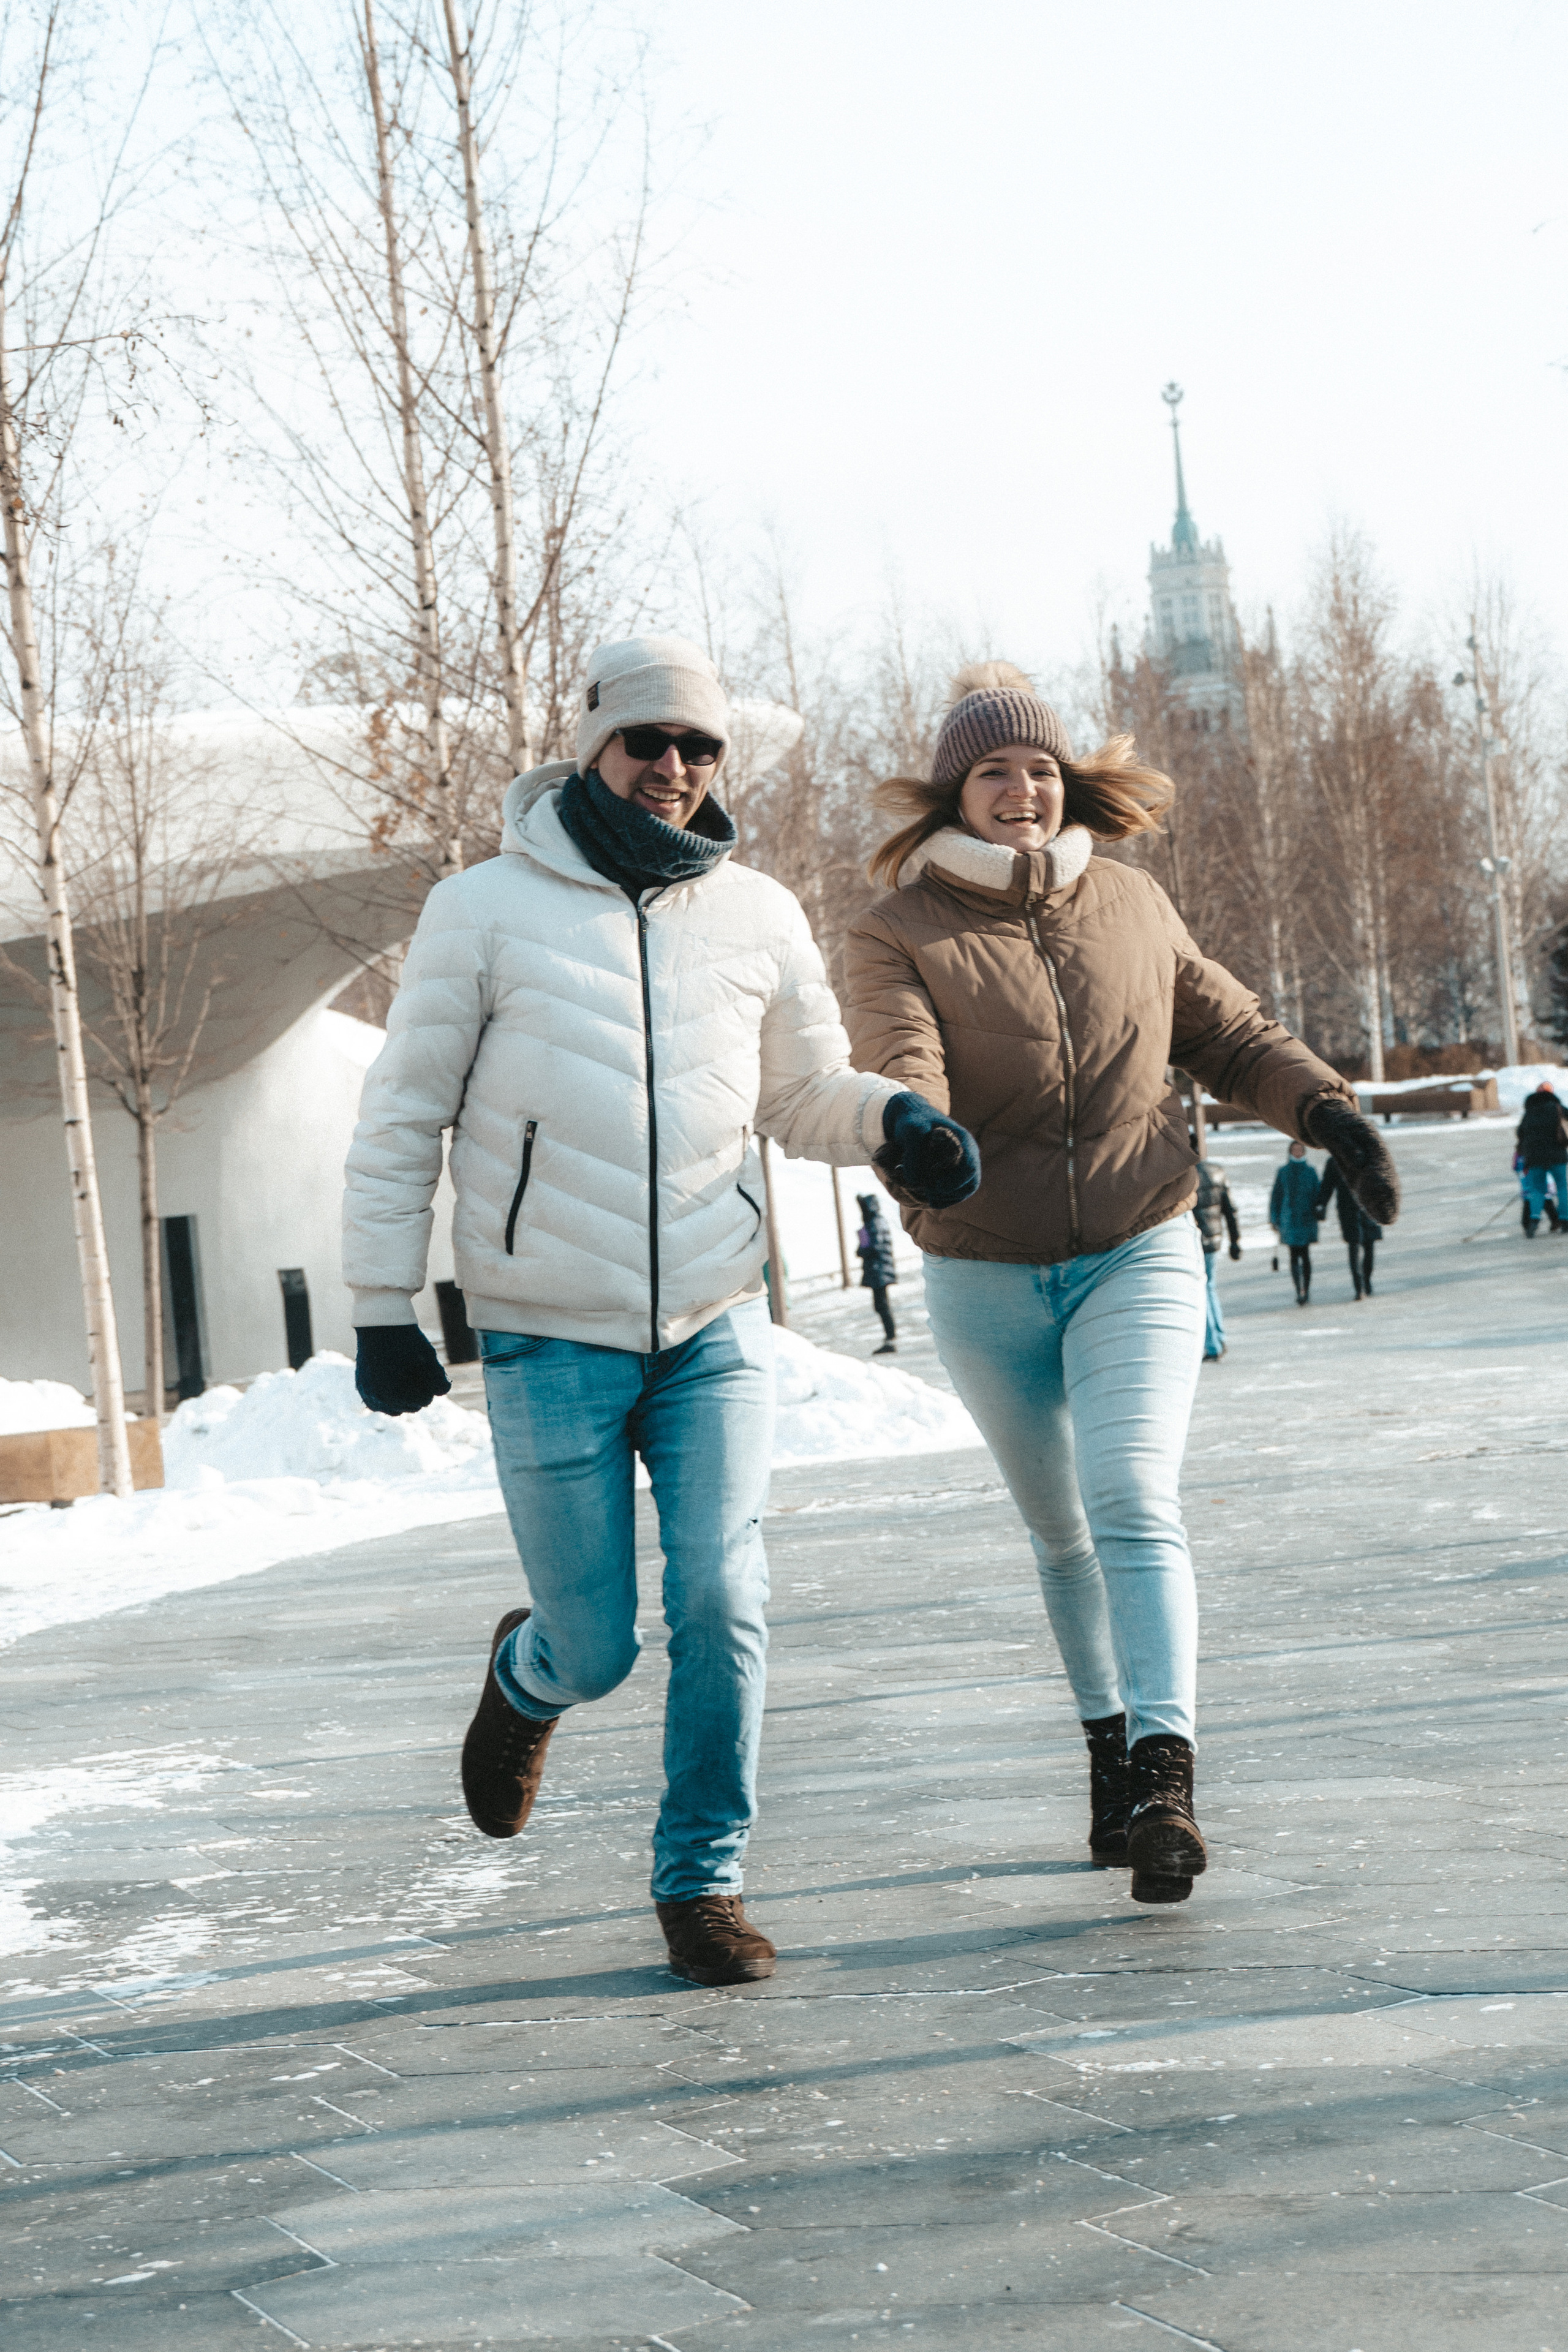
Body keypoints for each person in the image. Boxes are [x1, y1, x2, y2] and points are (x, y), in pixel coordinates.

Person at [342, 635, 980, 1989]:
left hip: (710, 1322)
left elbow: (801, 1092)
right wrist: (380, 1304)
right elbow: (403, 1113)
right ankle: (528, 1678)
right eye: (647, 744)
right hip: (541, 1332)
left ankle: (702, 1880)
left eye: (697, 749)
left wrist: (896, 1120)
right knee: (599, 1644)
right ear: (594, 748)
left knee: (726, 1599)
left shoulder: (755, 914)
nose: (673, 771)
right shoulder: (480, 909)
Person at [842, 662, 1399, 1907]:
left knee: (1132, 1495)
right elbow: (895, 1054)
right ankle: (1103, 1745)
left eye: (1039, 768)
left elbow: (1230, 1032)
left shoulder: (1132, 906)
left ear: (1066, 781)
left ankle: (1162, 1776)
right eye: (992, 771)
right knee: (1058, 1533)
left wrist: (1326, 1113)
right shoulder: (899, 928)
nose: (1020, 789)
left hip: (1139, 1244)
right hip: (981, 1265)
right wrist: (916, 1130)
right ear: (953, 794)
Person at [1192, 1158, 1242, 1359]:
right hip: (1215, 1239)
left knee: (1201, 1290)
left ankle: (1213, 1345)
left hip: (1196, 1241)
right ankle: (1219, 1338)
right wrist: (1235, 1240)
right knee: (1209, 1287)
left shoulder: (1185, 1178)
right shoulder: (1216, 1172)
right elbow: (1230, 1210)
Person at [1317, 1156, 1382, 1297]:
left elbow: (1380, 1179)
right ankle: (1358, 1287)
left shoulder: (1367, 1156)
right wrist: (1321, 1204)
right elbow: (1328, 1185)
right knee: (1354, 1245)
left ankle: (1367, 1280)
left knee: (1369, 1245)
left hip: (1368, 1206)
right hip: (1347, 1209)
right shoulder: (1335, 1161)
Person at [1269, 1139, 1321, 1303]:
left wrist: (1319, 1211)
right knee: (1293, 1256)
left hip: (1306, 1219)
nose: (1297, 1153)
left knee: (1305, 1256)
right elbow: (1276, 1197)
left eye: (1300, 1150)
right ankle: (1299, 1289)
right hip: (1289, 1219)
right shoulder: (1283, 1172)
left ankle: (1306, 1288)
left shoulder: (1311, 1172)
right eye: (1295, 1150)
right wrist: (1274, 1218)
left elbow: (1317, 1195)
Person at [1515, 1082, 1568, 1236]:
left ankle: (1534, 1220)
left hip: (1535, 1157)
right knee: (1562, 1187)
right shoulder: (1557, 1108)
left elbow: (1520, 1133)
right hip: (1557, 1155)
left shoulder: (1529, 1112)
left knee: (1537, 1189)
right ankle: (1565, 1220)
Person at [855, 1191, 899, 1353]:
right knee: (881, 1305)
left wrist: (862, 1249)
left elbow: (874, 1247)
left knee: (882, 1305)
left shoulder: (874, 1223)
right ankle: (890, 1338)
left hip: (879, 1269)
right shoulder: (878, 1222)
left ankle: (891, 1339)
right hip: (880, 1268)